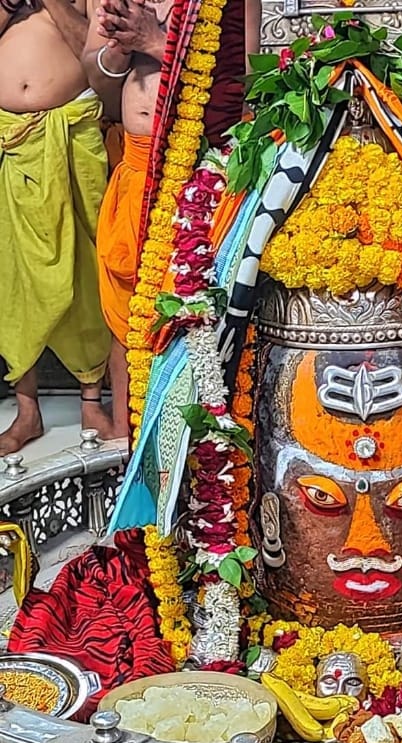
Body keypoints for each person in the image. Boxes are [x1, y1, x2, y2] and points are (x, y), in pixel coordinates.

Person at [83, 0, 261, 439]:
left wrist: (155, 42)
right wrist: (118, 52)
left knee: (194, 314)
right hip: (138, 163)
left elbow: (246, 83)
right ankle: (133, 455)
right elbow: (95, 76)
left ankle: (203, 462)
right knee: (129, 310)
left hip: (203, 170)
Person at [0, 0, 116, 455]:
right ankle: (27, 409)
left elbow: (98, 62)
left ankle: (92, 400)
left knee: (85, 267)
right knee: (13, 276)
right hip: (10, 141)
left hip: (71, 134)